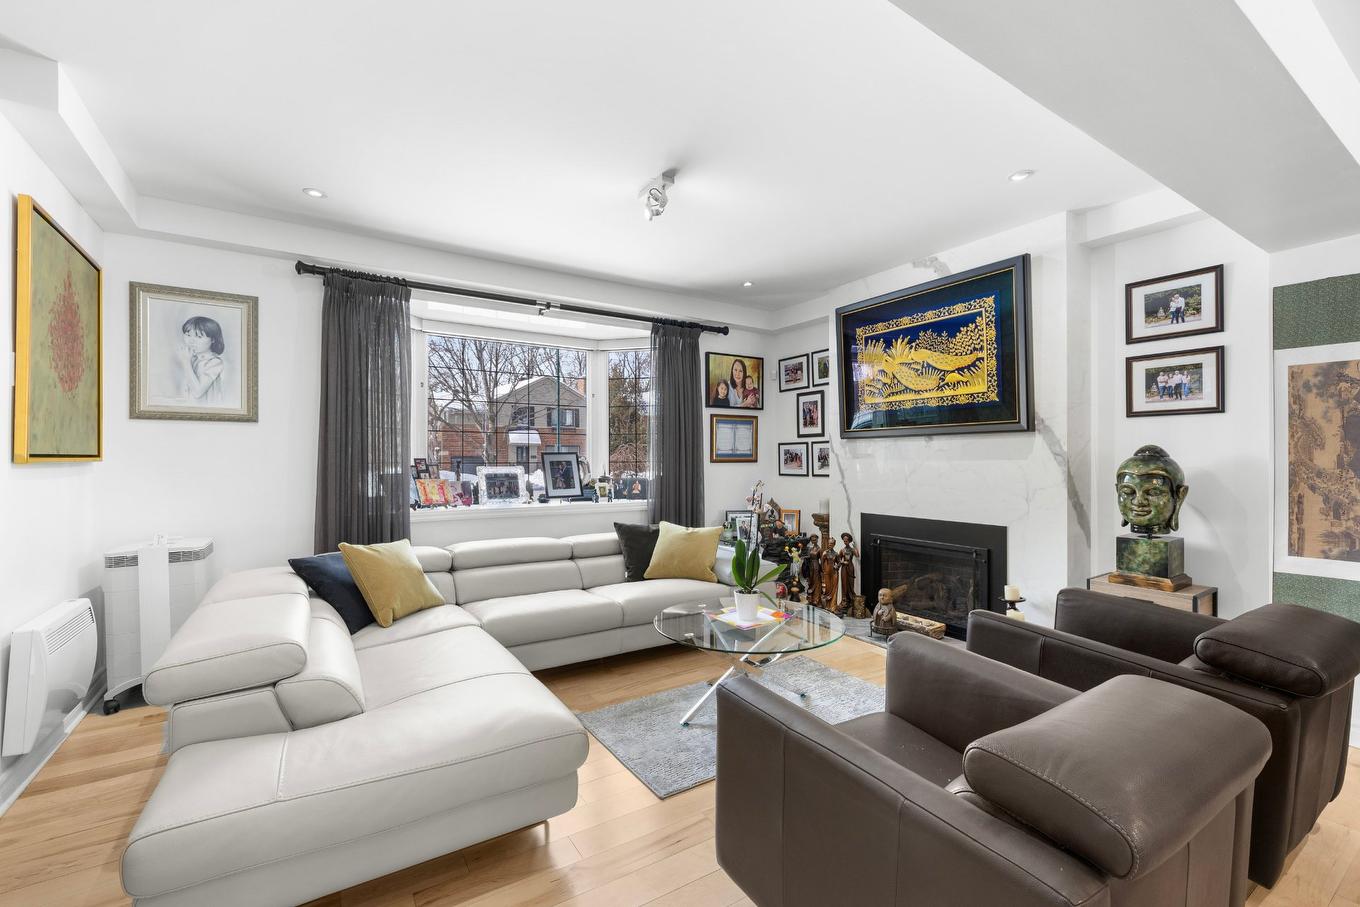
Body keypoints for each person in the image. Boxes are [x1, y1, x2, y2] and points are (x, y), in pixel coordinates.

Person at [178, 315, 225, 404]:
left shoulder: (214, 362)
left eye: (199, 337)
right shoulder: (191, 358)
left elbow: (197, 392)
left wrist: (186, 362)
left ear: (213, 339)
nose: (191, 341)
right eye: (188, 335)